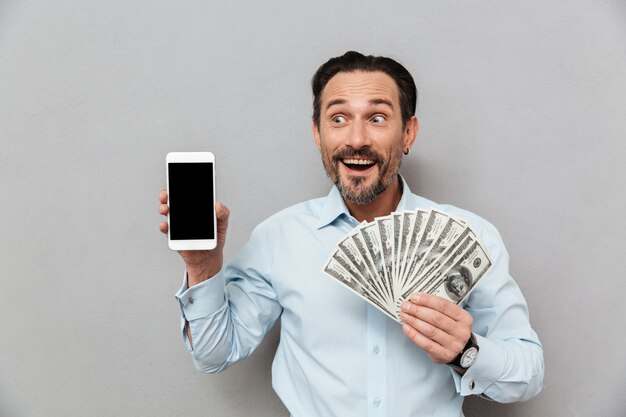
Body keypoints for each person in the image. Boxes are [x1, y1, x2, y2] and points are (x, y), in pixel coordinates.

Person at [158, 51, 544, 417]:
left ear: (408, 133)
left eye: (377, 118)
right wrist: (203, 268)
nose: (356, 139)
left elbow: (528, 374)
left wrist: (466, 351)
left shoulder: (472, 237)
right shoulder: (279, 237)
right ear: (317, 133)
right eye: (338, 118)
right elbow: (213, 355)